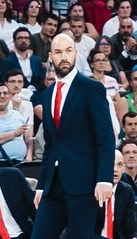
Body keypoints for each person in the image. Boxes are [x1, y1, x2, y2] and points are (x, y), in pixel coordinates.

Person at [30, 33, 116, 239]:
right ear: (50, 57)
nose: (64, 57)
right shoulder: (48, 94)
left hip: (84, 184)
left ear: (76, 53)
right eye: (58, 52)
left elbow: (106, 137)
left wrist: (104, 179)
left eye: (68, 51)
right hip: (53, 186)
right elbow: (50, 145)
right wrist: (41, 186)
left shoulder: (91, 88)